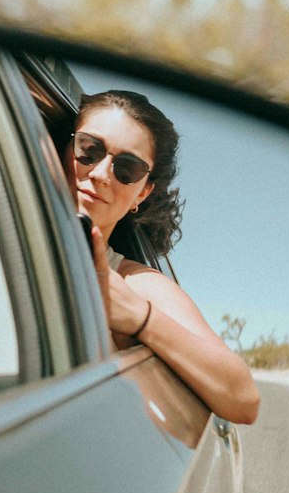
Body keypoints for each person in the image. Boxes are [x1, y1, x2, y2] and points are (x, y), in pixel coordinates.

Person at [67, 89, 260, 427]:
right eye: (88, 150)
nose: (100, 174)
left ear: (142, 192)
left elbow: (244, 400)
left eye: (127, 168)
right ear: (62, 149)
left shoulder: (133, 282)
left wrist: (138, 317)